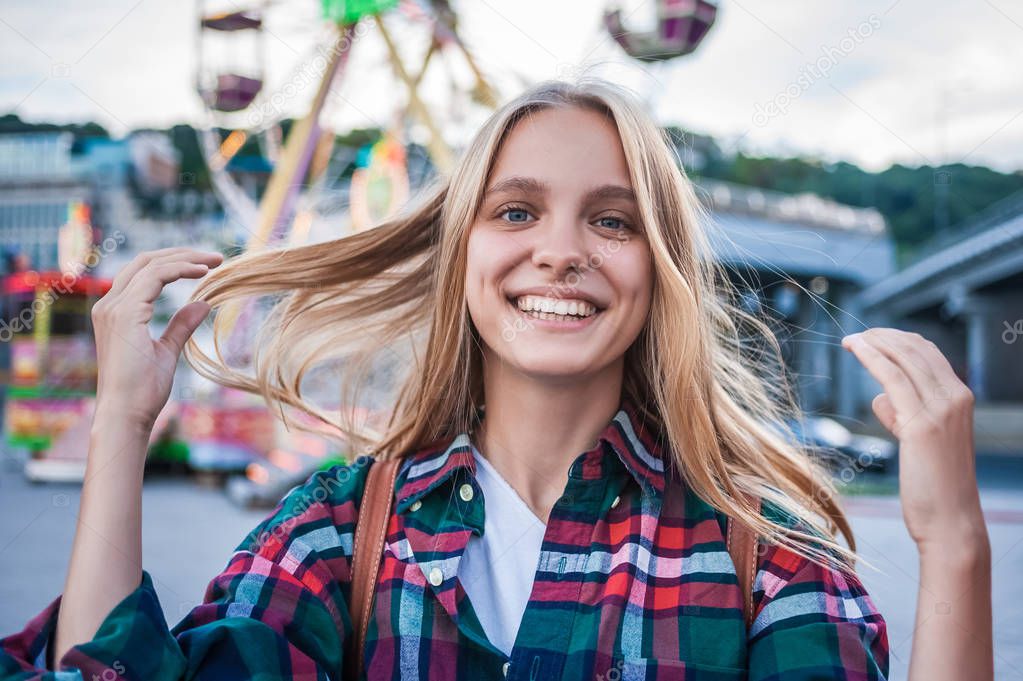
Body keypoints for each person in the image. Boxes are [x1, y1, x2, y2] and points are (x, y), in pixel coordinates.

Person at [0, 78, 992, 680]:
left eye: (611, 220)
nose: (562, 251)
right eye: (517, 212)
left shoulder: (762, 558)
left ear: (663, 269)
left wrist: (954, 549)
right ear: (458, 252)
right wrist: (120, 428)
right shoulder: (340, 534)